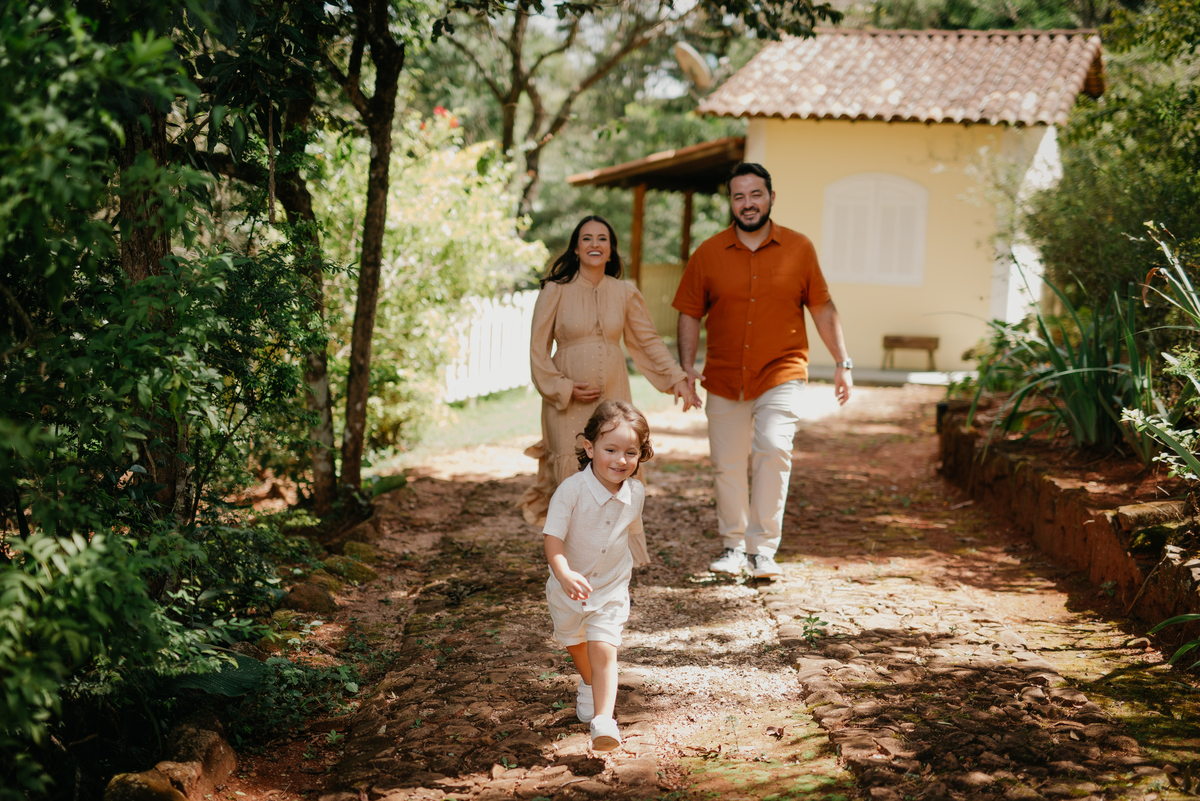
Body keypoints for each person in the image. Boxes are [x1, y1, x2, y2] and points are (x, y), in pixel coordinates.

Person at [672, 162, 853, 580]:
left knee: (773, 448)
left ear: (771, 197)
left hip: (782, 371)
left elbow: (822, 307)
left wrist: (842, 363)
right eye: (739, 196)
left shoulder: (799, 248)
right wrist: (686, 366)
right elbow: (688, 313)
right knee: (728, 463)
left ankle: (763, 551)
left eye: (756, 194)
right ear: (731, 203)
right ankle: (734, 546)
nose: (748, 203)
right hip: (723, 375)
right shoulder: (709, 253)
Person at [521, 215, 700, 567]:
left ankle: (617, 558)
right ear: (576, 247)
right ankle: (572, 563)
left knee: (617, 465)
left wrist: (676, 376)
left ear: (610, 249)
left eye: (602, 238)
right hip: (566, 404)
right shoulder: (555, 289)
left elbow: (646, 340)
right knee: (573, 469)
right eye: (586, 238)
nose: (594, 244)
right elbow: (537, 352)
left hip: (614, 395)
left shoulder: (624, 292)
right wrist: (565, 387)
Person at [543, 400, 652, 752]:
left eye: (630, 452)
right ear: (589, 448)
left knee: (603, 647)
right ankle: (589, 684)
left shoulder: (636, 493)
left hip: (611, 586)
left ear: (640, 455)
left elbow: (625, 533)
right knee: (575, 643)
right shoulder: (571, 491)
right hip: (568, 587)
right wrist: (563, 573)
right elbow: (553, 538)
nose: (621, 460)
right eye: (611, 450)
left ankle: (604, 720)